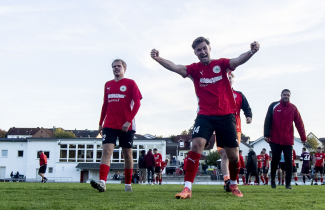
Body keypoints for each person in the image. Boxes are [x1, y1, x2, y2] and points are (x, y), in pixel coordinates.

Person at [150, 37, 260, 199]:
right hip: (205, 115)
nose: (202, 52)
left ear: (209, 49)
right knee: (196, 144)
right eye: (198, 50)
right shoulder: (194, 69)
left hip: (226, 115)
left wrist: (251, 51)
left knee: (233, 156)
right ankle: (187, 188)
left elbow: (237, 60)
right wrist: (158, 58)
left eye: (204, 48)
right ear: (195, 53)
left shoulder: (221, 64)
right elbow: (176, 67)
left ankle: (233, 184)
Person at [91, 58, 142, 193]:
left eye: (119, 66)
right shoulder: (108, 84)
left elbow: (137, 104)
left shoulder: (131, 83)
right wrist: (100, 122)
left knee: (127, 153)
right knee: (106, 151)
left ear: (124, 69)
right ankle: (102, 182)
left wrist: (128, 121)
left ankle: (128, 184)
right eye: (114, 66)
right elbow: (105, 104)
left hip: (126, 125)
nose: (116, 68)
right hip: (110, 124)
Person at [264, 89, 307, 190]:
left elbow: (299, 123)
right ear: (281, 95)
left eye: (288, 95)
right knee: (275, 159)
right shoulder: (274, 106)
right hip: (275, 138)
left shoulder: (293, 108)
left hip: (288, 139)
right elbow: (268, 120)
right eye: (284, 95)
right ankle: (273, 180)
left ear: (290, 96)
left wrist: (303, 137)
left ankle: (288, 184)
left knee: (289, 161)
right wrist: (266, 135)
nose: (286, 96)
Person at [219, 71, 252, 191]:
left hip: (235, 128)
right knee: (224, 154)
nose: (228, 79)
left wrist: (249, 116)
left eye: (230, 78)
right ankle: (227, 180)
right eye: (226, 77)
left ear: (233, 80)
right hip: (220, 127)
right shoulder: (217, 93)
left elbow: (247, 108)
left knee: (233, 156)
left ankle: (233, 180)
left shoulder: (239, 95)